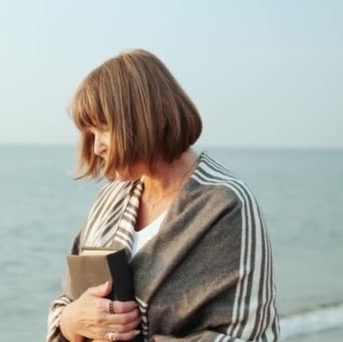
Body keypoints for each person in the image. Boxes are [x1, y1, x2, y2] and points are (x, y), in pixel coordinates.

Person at [46, 49, 279, 342]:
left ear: (143, 120)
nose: (97, 149)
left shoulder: (225, 205)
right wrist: (69, 322)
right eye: (90, 134)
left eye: (103, 130)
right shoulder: (109, 201)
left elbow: (246, 336)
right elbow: (68, 301)